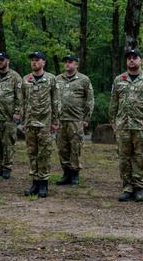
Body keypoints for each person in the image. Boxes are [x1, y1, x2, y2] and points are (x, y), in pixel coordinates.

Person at [111, 49, 143, 202]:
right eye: (129, 58)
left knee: (140, 157)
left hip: (141, 125)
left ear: (140, 60)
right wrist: (113, 122)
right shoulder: (119, 79)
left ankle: (138, 187)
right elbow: (114, 103)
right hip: (123, 125)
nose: (131, 61)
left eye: (134, 58)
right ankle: (127, 187)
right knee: (124, 157)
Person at [20, 51, 59, 198]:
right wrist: (22, 121)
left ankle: (44, 183)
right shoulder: (26, 79)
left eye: (37, 60)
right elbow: (22, 101)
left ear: (44, 62)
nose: (34, 62)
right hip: (30, 123)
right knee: (32, 153)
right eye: (32, 60)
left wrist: (55, 121)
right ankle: (35, 182)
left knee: (44, 153)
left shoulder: (51, 79)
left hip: (45, 123)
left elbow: (56, 101)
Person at [55, 54, 94, 186]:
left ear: (76, 64)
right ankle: (66, 173)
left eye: (70, 62)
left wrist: (86, 118)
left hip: (76, 119)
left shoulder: (83, 80)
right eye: (65, 62)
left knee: (75, 147)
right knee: (62, 148)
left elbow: (89, 100)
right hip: (61, 119)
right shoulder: (57, 79)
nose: (67, 64)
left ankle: (75, 173)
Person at [0, 51, 22, 179]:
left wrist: (18, 112)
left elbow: (20, 96)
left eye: (2, 60)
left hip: (8, 116)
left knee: (7, 143)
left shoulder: (15, 77)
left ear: (8, 61)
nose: (0, 62)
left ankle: (7, 167)